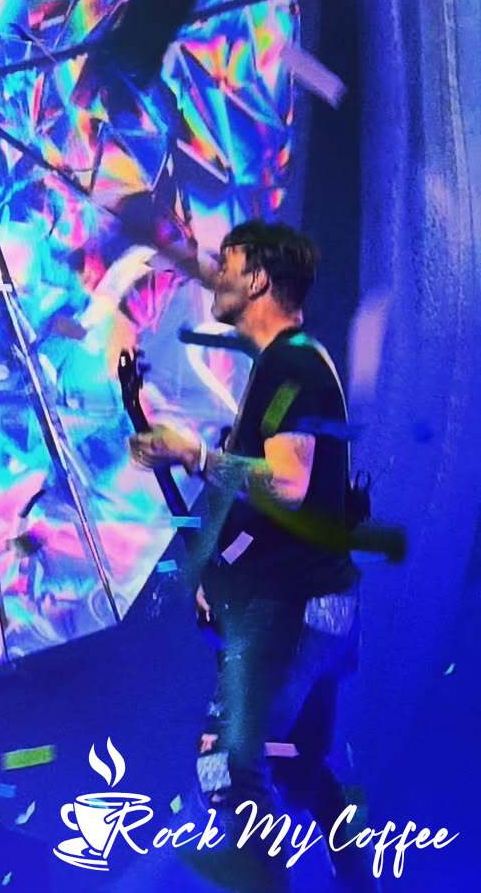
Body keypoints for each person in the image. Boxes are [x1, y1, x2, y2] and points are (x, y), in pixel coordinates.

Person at [129, 220, 375, 891]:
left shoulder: (292, 364)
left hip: (294, 612)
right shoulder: (286, 365)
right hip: (312, 605)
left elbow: (288, 485)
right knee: (295, 767)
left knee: (226, 766)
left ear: (260, 279)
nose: (216, 274)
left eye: (229, 261)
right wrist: (222, 569)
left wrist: (195, 455)